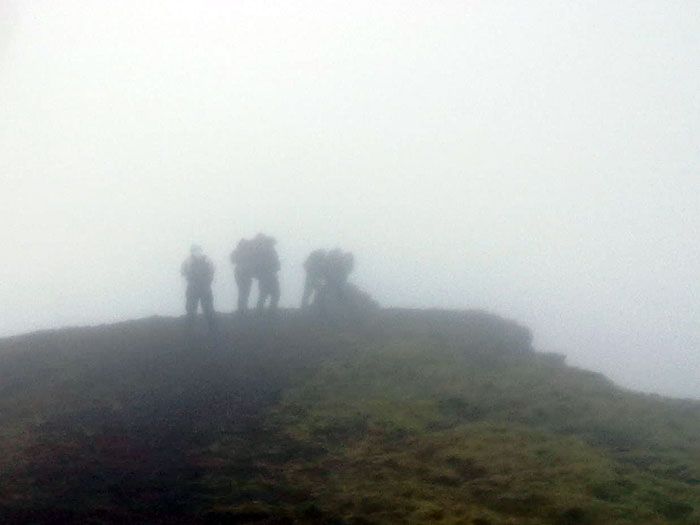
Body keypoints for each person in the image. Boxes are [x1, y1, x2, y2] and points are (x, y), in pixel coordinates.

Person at [181, 244, 216, 332]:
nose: (197, 252)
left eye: (198, 250)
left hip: (204, 287)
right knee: (191, 308)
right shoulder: (188, 261)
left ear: (201, 250)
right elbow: (182, 271)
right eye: (195, 251)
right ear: (192, 252)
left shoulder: (207, 260)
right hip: (193, 287)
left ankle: (212, 328)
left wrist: (209, 279)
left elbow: (212, 270)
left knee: (208, 308)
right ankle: (189, 329)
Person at [252, 234, 280, 311]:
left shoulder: (262, 251)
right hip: (269, 275)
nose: (274, 244)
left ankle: (260, 312)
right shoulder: (269, 251)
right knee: (275, 294)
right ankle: (271, 311)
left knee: (263, 294)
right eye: (273, 243)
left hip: (264, 276)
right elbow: (274, 264)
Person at [230, 238, 254, 313]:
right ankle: (243, 308)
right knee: (245, 291)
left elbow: (232, 260)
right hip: (246, 273)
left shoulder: (237, 252)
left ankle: (241, 308)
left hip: (239, 273)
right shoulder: (249, 252)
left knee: (242, 291)